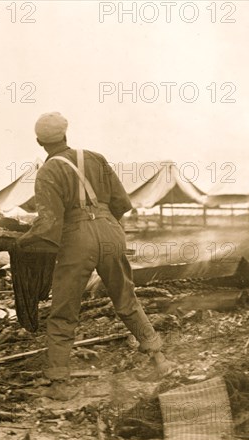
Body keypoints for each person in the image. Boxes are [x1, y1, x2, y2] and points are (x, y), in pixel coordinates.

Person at [14, 112, 174, 398]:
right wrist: (103, 225)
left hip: (77, 241)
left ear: (39, 142)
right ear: (66, 134)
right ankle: (160, 360)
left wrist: (23, 240)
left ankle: (59, 384)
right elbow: (122, 203)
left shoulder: (48, 172)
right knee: (126, 298)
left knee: (64, 310)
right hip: (111, 231)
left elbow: (50, 223)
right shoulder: (96, 158)